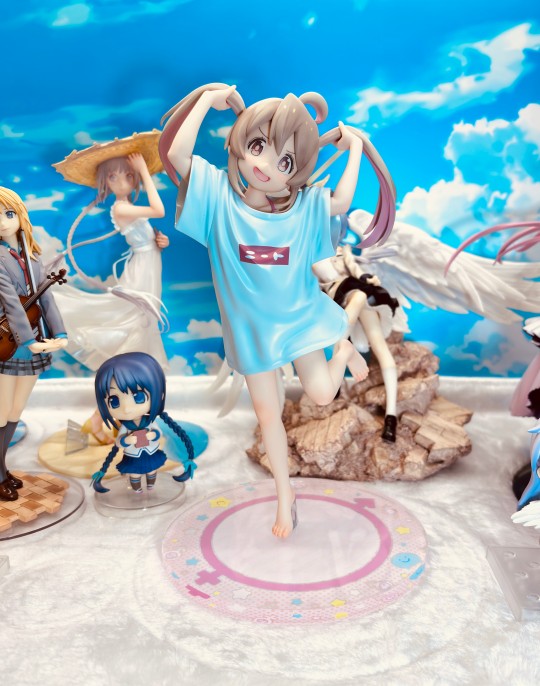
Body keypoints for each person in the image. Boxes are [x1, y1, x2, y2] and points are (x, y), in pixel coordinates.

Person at [159, 83, 395, 537]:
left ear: (297, 172)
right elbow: (177, 155)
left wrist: (355, 149)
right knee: (268, 417)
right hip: (252, 332)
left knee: (322, 395)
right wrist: (206, 101)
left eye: (285, 162)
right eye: (257, 147)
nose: (266, 165)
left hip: (300, 321)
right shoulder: (217, 200)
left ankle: (343, 351)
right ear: (240, 143)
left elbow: (341, 203)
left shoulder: (303, 209)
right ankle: (285, 496)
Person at [52, 133, 169, 443]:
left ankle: (104, 419)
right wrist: (144, 171)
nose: (122, 182)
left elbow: (150, 229)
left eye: (128, 175)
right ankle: (103, 416)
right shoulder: (120, 208)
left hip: (147, 267)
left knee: (139, 337)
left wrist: (159, 241)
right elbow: (159, 210)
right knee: (133, 338)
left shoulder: (129, 206)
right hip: (140, 273)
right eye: (113, 177)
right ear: (105, 182)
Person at [0, 187, 68, 501]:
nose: (3, 222)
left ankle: (1, 469)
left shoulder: (34, 258)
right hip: (8, 341)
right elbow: (12, 304)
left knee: (15, 410)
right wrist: (29, 341)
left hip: (31, 342)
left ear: (20, 216)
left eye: (8, 214)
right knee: (1, 412)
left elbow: (46, 299)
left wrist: (60, 333)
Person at [91, 352, 196, 493]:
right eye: (114, 401)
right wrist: (127, 440)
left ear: (159, 394)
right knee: (135, 474)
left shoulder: (149, 422)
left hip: (150, 452)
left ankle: (151, 486)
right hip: (133, 456)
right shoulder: (125, 427)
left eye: (138, 397)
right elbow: (119, 442)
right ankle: (137, 490)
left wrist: (153, 435)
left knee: (152, 470)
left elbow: (158, 433)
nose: (126, 408)